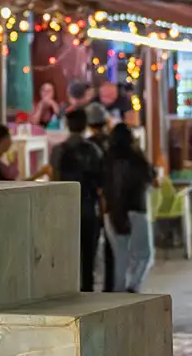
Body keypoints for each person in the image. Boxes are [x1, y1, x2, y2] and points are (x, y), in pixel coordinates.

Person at [54, 107, 107, 291]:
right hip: (88, 208)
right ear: (85, 125)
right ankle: (87, 293)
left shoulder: (58, 151)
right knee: (88, 258)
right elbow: (101, 183)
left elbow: (54, 180)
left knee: (67, 258)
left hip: (64, 210)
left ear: (67, 125)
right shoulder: (93, 150)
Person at [102, 123, 157, 292]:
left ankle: (119, 293)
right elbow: (152, 179)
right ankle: (133, 286)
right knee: (144, 255)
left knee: (121, 257)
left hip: (112, 212)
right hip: (136, 209)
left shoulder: (106, 159)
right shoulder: (137, 158)